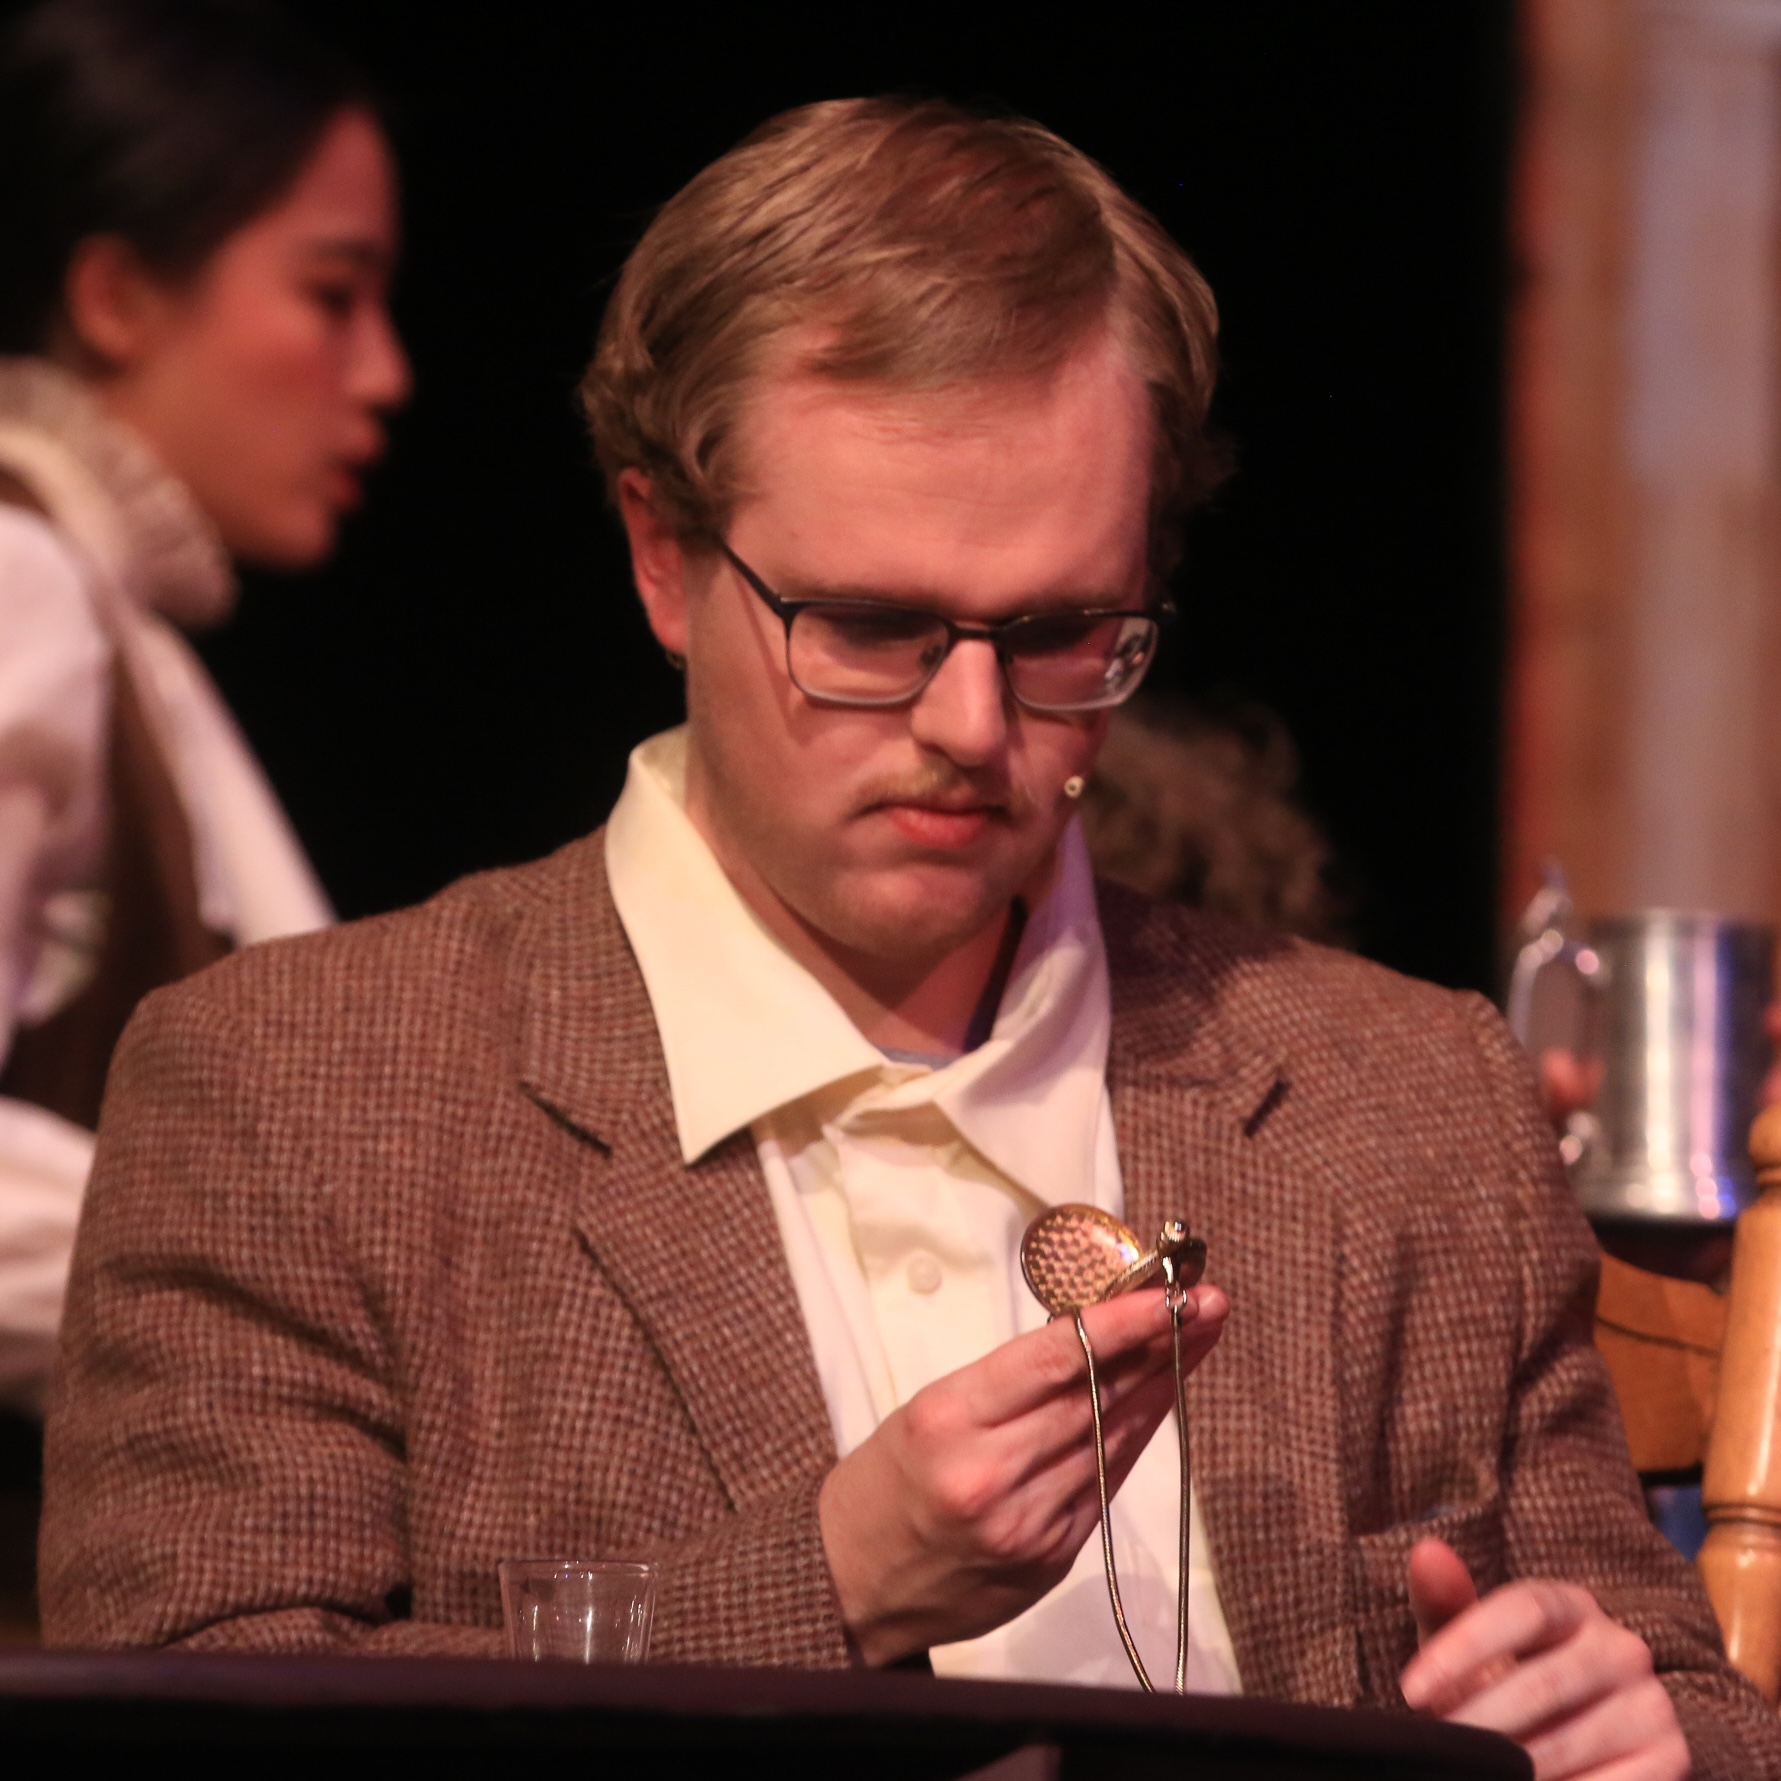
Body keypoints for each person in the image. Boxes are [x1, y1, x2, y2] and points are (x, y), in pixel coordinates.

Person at [39, 97, 1775, 1778]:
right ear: (661, 553)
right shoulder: (305, 1091)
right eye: (866, 625)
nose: (967, 721)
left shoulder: (1399, 1095)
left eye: (1060, 630)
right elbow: (200, 1726)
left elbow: (1682, 1694)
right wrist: (830, 1581)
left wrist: (1650, 1742)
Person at [0, 0, 409, 1421]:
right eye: (330, 294)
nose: (384, 374)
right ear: (117, 298)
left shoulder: (124, 628)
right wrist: (301, 1279)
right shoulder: (23, 579)